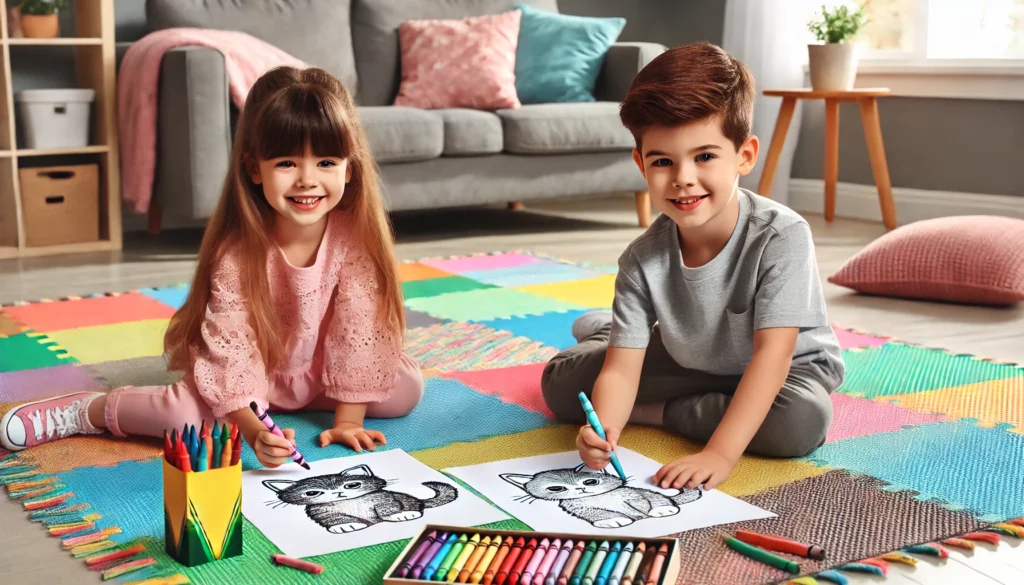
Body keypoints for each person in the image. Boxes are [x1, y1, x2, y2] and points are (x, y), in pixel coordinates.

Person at [0, 67, 424, 468]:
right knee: (186, 415)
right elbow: (232, 347)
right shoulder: (237, 250)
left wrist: (349, 419)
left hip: (317, 371)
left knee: (405, 389)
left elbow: (361, 329)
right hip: (245, 372)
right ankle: (88, 410)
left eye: (326, 163)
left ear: (350, 169)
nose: (307, 180)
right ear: (254, 169)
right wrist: (255, 431)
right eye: (287, 164)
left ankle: (311, 399)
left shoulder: (355, 240)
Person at [541, 42, 845, 492]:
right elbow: (622, 372)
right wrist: (603, 430)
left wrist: (720, 453)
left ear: (744, 155)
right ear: (641, 164)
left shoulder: (781, 235)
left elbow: (772, 356)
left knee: (800, 423)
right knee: (562, 389)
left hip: (785, 366)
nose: (683, 177)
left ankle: (655, 408)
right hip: (691, 354)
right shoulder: (642, 258)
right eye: (663, 161)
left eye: (704, 157)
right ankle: (611, 330)